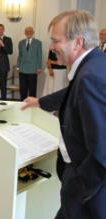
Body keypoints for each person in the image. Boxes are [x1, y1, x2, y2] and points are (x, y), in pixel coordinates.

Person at [22, 10, 106, 219]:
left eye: (55, 41)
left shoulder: (90, 77)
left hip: (89, 195)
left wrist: (74, 189)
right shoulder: (96, 64)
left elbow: (102, 153)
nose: (51, 47)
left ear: (77, 42)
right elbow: (72, 93)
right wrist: (40, 102)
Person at [16, 26, 42, 100]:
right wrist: (18, 67)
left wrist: (39, 68)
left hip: (33, 70)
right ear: (24, 33)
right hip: (22, 69)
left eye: (30, 31)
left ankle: (32, 106)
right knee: (23, 89)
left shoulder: (38, 43)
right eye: (27, 31)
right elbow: (20, 56)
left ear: (33, 33)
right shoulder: (21, 43)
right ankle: (22, 105)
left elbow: (39, 56)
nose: (28, 33)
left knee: (32, 90)